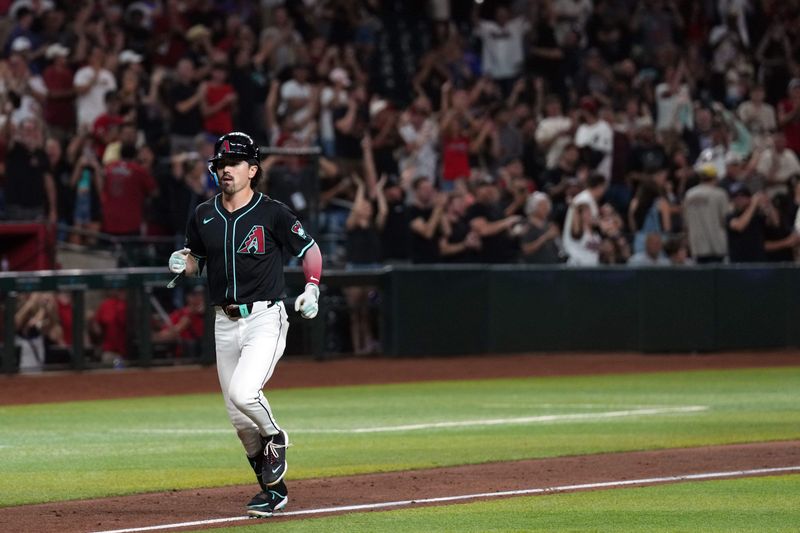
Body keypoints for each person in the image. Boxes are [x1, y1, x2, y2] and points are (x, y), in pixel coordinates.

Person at [167, 131, 322, 518]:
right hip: (224, 321)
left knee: (243, 392)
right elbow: (195, 261)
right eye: (220, 164)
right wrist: (182, 264)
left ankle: (277, 436)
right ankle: (274, 493)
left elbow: (310, 249)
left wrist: (313, 287)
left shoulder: (273, 212)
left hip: (265, 317)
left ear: (252, 169)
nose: (225, 170)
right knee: (239, 421)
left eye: (233, 164)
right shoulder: (203, 214)